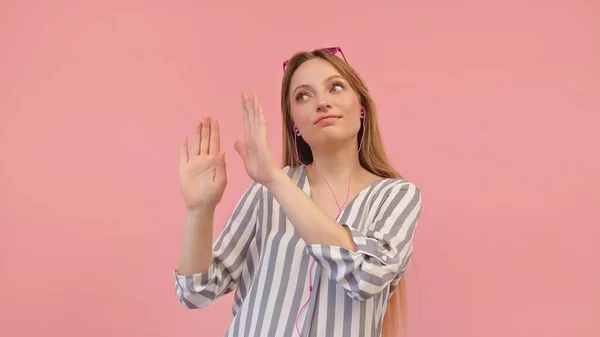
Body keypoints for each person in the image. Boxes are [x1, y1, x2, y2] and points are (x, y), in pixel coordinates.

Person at [174, 47, 422, 337]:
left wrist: (276, 181)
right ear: (295, 125)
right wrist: (199, 211)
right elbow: (196, 292)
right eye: (303, 96)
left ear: (362, 107)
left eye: (335, 87)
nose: (322, 103)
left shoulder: (397, 196)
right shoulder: (265, 193)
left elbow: (366, 277)